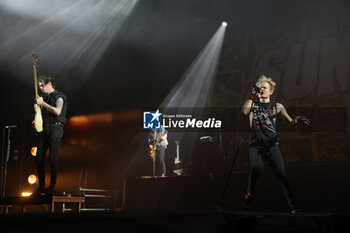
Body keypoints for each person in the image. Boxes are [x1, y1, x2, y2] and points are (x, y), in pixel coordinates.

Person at [241, 75, 310, 213]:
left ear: (271, 91)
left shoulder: (277, 107)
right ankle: (248, 196)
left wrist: (297, 120)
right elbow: (244, 111)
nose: (262, 90)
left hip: (272, 147)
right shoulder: (253, 104)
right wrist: (252, 94)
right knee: (257, 170)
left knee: (282, 175)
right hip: (256, 146)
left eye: (265, 88)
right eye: (260, 88)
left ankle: (294, 206)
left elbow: (291, 122)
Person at [33, 76, 67, 195]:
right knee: (39, 159)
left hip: (56, 128)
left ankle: (52, 186)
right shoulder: (44, 98)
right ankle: (41, 186)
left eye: (42, 85)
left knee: (52, 158)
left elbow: (57, 111)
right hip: (45, 129)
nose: (40, 88)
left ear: (49, 84)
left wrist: (43, 103)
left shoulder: (59, 96)